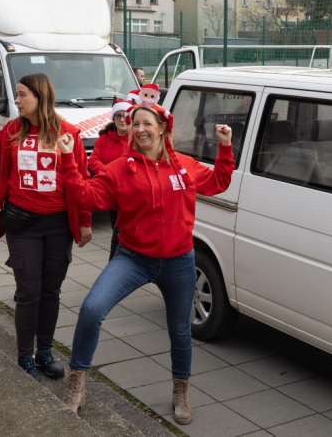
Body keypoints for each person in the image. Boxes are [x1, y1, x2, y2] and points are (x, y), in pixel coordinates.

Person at [56, 103, 235, 425]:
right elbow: (85, 197)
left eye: (146, 123)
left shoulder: (184, 166)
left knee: (180, 331)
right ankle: (76, 384)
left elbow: (219, 182)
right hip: (134, 259)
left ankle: (181, 391)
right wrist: (69, 160)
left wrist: (225, 147)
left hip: (180, 261)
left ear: (163, 127)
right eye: (134, 123)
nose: (139, 129)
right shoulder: (120, 168)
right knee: (92, 309)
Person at [0, 73, 93, 382]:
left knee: (50, 292)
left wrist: (84, 221)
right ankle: (25, 356)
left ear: (40, 97)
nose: (16, 100)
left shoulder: (68, 133)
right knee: (28, 291)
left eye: (21, 95)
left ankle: (44, 351)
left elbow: (81, 180)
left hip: (58, 226)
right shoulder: (11, 131)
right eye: (16, 95)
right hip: (22, 223)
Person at [89, 99, 133, 260]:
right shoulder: (103, 139)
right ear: (113, 119)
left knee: (127, 230)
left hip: (132, 192)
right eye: (118, 116)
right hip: (113, 192)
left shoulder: (137, 139)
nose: (122, 119)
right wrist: (110, 174)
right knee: (116, 227)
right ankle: (117, 261)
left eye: (126, 116)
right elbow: (94, 161)